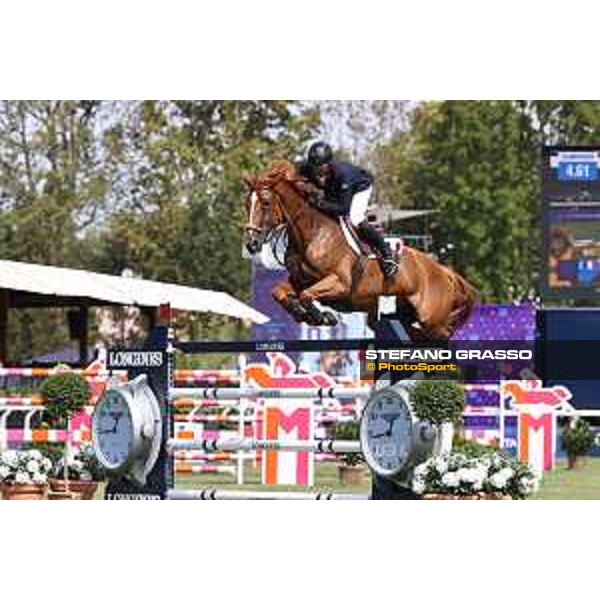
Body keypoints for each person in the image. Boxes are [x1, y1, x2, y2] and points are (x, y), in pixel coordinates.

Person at [298, 141, 398, 279]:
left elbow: (343, 209)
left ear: (328, 164)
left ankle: (386, 251)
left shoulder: (343, 174)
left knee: (355, 218)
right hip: (334, 189)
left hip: (359, 187)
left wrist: (319, 203)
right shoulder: (309, 168)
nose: (316, 170)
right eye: (313, 166)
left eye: (319, 167)